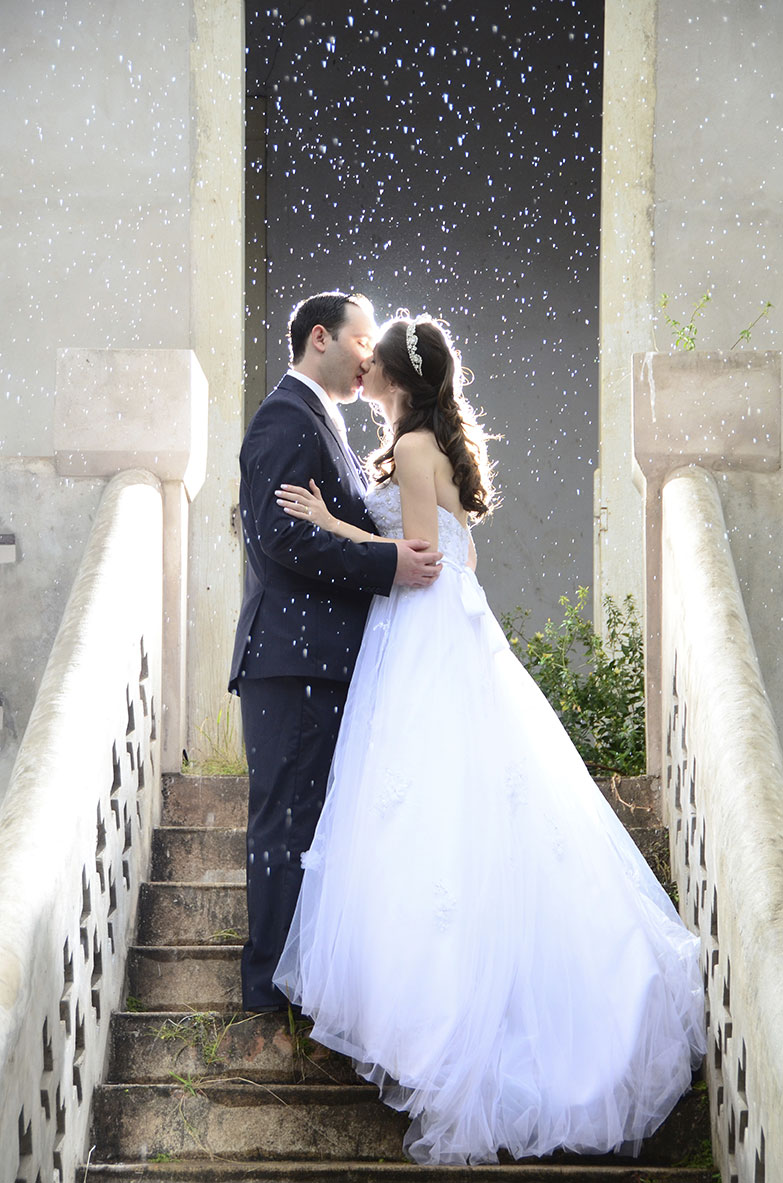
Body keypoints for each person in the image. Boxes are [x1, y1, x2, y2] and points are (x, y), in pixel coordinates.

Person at [272, 315, 706, 1164]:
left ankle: (446, 1025)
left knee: (433, 803)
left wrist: (332, 523)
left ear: (393, 375)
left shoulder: (419, 446)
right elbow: (460, 560)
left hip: (424, 631)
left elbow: (425, 557)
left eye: (372, 361)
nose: (361, 368)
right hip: (433, 631)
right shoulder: (417, 438)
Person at [229, 293, 442, 1014]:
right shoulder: (283, 419)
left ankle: (303, 985)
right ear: (319, 337)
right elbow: (279, 538)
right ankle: (265, 996)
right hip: (291, 661)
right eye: (358, 340)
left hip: (326, 661)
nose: (367, 356)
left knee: (314, 823)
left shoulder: (328, 426)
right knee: (285, 820)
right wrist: (388, 567)